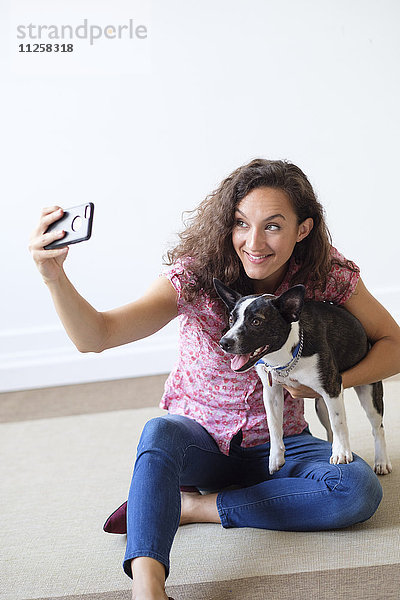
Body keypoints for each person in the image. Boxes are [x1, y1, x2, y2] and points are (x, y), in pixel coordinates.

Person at [29, 159, 400, 600]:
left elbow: (392, 343)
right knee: (159, 431)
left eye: (273, 226)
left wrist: (329, 380)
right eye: (241, 223)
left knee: (357, 489)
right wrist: (54, 277)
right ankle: (148, 590)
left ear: (303, 230)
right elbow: (97, 336)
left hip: (280, 445)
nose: (253, 242)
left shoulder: (325, 274)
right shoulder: (196, 274)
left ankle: (192, 506)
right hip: (199, 444)